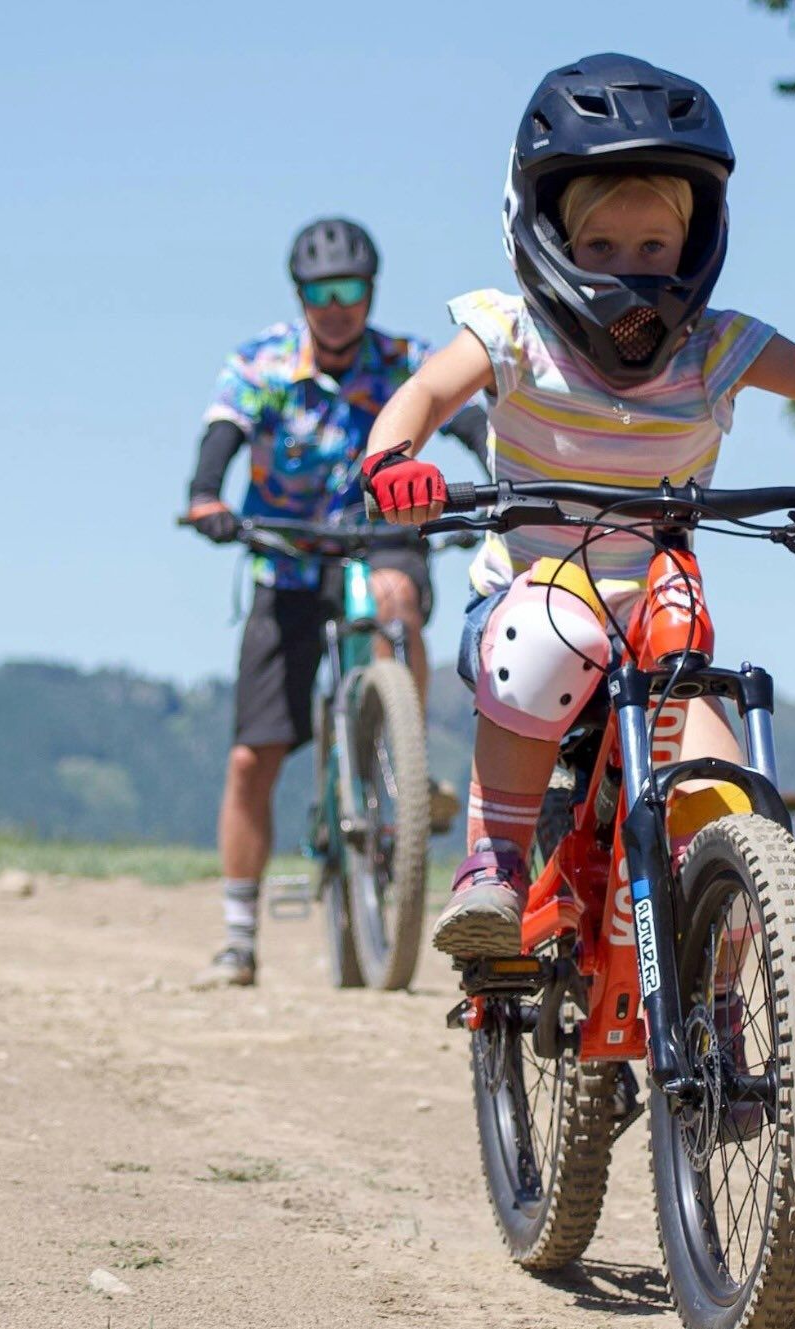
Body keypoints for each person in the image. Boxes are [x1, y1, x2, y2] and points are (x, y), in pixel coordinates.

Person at [359, 54, 795, 966]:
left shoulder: (716, 346)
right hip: (527, 611)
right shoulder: (512, 332)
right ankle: (489, 869)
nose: (632, 273)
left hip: (658, 630)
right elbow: (420, 394)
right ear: (548, 238)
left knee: (726, 801)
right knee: (547, 633)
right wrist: (392, 461)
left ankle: (719, 1014)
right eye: (602, 249)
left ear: (693, 247)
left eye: (655, 250)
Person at [184, 217, 490, 988]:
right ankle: (239, 934)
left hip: (379, 533)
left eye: (350, 290)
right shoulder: (261, 362)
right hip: (285, 555)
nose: (337, 306)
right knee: (253, 756)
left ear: (369, 291)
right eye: (322, 293)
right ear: (301, 296)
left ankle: (399, 757)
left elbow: (468, 420)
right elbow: (223, 432)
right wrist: (203, 497)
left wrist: (504, 478)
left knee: (395, 597)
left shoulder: (403, 361)